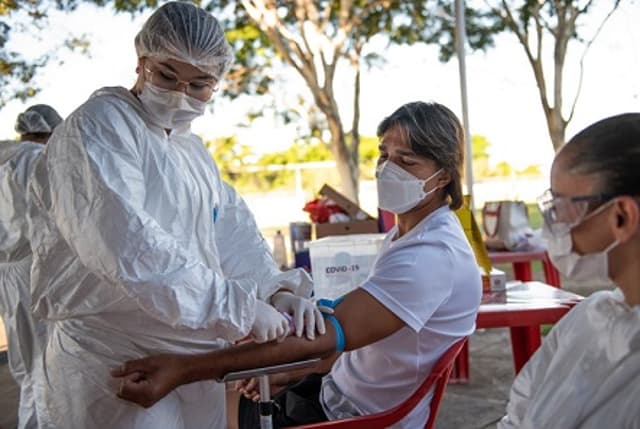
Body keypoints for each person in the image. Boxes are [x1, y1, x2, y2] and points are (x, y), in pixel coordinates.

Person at [26, 3, 322, 428]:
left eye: (200, 84)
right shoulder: (100, 128)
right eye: (167, 76)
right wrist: (237, 307)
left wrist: (271, 291)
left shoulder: (190, 151)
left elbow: (229, 232)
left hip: (193, 355)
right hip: (111, 356)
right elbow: (126, 245)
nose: (181, 93)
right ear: (142, 61)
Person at [112, 101, 483, 428]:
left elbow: (331, 333)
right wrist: (296, 370)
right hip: (337, 390)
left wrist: (180, 370)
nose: (387, 169)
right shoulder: (408, 235)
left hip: (353, 414)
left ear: (444, 175)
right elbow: (356, 340)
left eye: (406, 161)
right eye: (384, 155)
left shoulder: (431, 256)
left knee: (218, 394)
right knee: (235, 384)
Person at [497, 113, 640, 428]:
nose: (554, 226)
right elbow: (519, 413)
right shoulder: (589, 316)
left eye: (561, 207)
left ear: (622, 216)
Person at [0, 104, 62, 429]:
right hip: (32, 269)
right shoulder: (36, 159)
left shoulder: (4, 156)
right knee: (43, 364)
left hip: (5, 272)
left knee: (23, 362)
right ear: (49, 132)